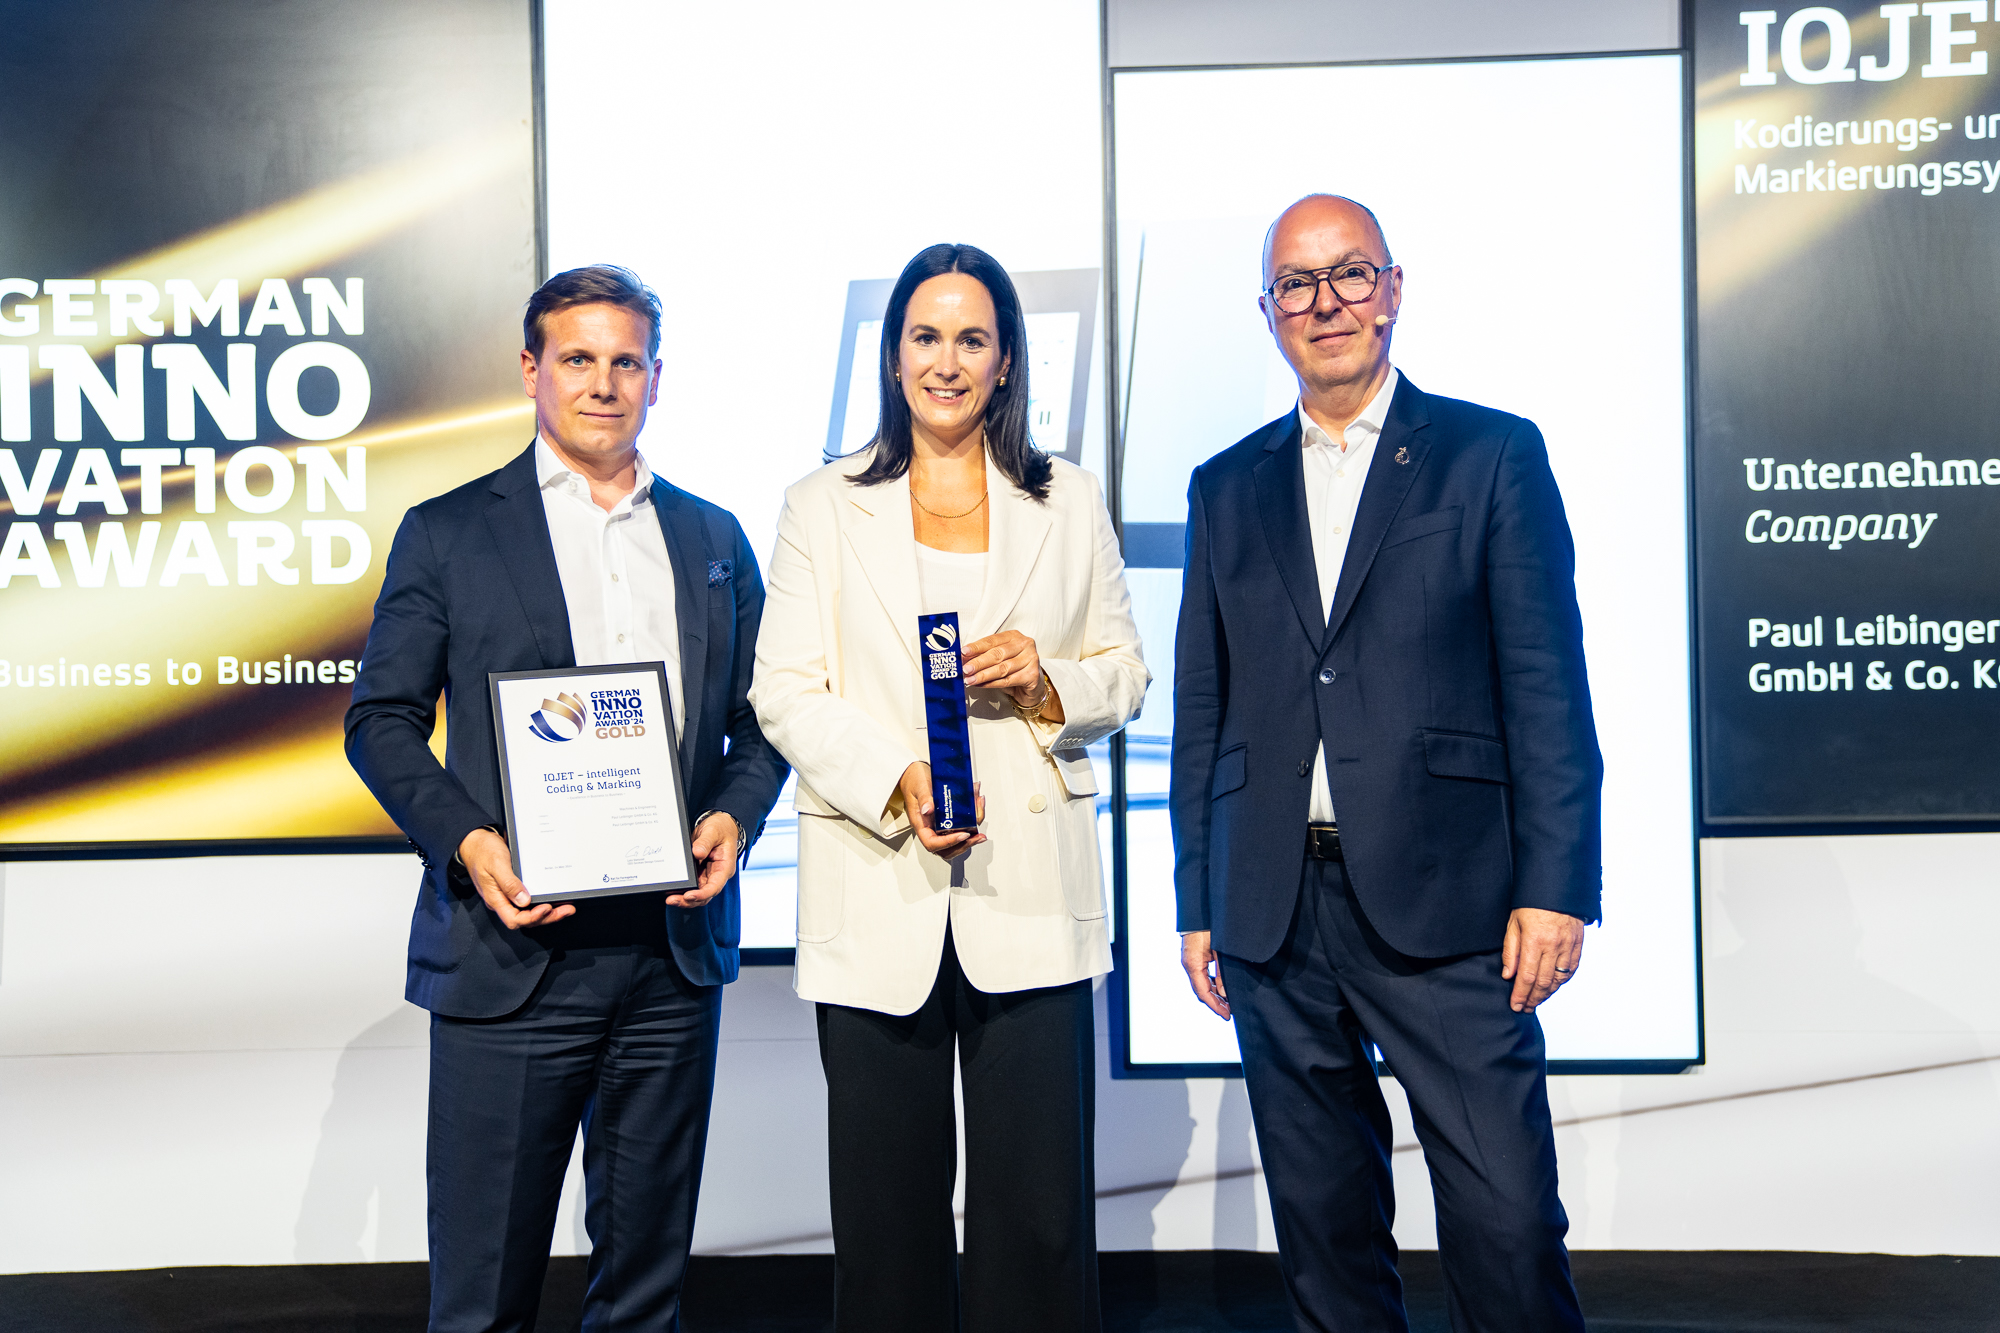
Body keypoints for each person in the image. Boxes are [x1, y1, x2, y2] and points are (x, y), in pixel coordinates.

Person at [1170, 195, 1600, 1332]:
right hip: (1272, 907)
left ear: (1393, 290)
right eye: (1296, 284)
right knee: (1325, 1238)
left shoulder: (1490, 454)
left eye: (1349, 274)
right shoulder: (1225, 485)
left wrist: (1556, 886)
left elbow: (1546, 686)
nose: (1325, 303)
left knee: (1507, 1223)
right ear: (1268, 312)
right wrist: (1197, 896)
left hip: (1452, 900)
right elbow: (1206, 704)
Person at [345, 264, 788, 1332]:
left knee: (644, 1293)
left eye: (626, 361)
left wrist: (733, 815)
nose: (603, 383)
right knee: (483, 1298)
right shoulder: (448, 531)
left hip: (668, 958)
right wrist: (469, 839)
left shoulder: (712, 537)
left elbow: (764, 719)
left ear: (655, 378)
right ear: (530, 369)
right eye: (578, 358)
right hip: (512, 951)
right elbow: (381, 720)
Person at [749, 243, 1148, 1333]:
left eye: (972, 339)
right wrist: (897, 779)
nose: (947, 361)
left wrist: (1046, 677)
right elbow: (782, 688)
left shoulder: (1067, 499)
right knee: (885, 1229)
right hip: (880, 881)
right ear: (892, 356)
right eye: (925, 336)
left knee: (1040, 1222)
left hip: (1031, 891)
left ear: (1007, 361)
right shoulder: (820, 505)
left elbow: (1125, 674)